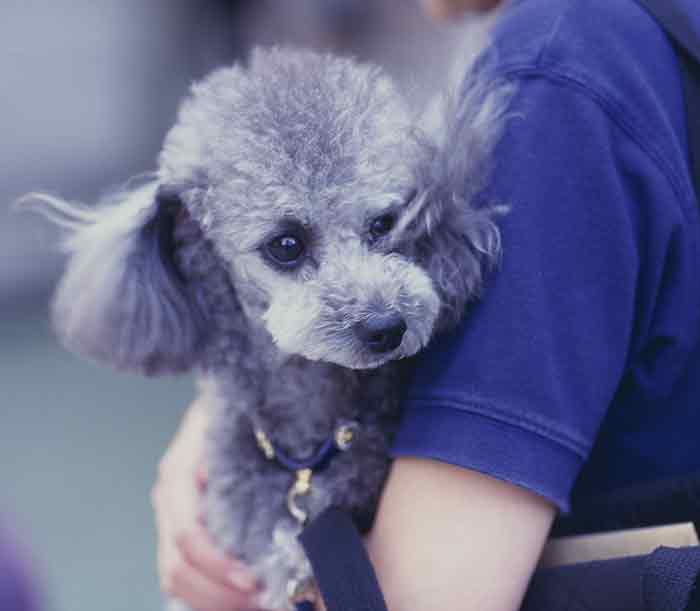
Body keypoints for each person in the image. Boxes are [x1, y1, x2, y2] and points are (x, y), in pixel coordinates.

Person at [150, 0, 700, 609]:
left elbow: (429, 596)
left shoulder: (563, 74)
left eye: (386, 226)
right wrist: (241, 402)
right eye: (287, 249)